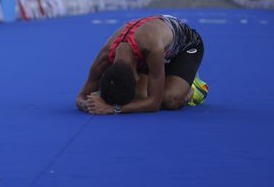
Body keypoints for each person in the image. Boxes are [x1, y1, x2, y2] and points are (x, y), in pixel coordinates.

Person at [76, 15, 209, 115]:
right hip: (153, 53)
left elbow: (154, 103)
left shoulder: (151, 47)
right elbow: (81, 96)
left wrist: (113, 108)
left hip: (185, 46)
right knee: (138, 95)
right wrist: (87, 104)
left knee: (170, 100)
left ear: (137, 76)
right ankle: (167, 77)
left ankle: (193, 87)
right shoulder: (103, 59)